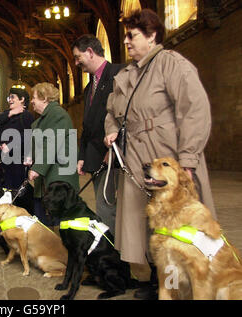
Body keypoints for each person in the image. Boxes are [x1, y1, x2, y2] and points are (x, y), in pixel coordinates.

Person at [103, 9, 216, 299]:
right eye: (126, 36)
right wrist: (112, 128)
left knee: (175, 223)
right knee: (142, 221)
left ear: (152, 36)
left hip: (167, 154)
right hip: (135, 156)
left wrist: (188, 159)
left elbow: (195, 111)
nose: (126, 41)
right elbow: (111, 111)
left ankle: (177, 283)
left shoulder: (172, 64)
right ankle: (154, 277)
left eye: (132, 36)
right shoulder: (126, 74)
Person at [72, 34, 124, 235]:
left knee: (110, 207)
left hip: (115, 154)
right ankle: (110, 249)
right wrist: (82, 156)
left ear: (90, 52)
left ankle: (115, 254)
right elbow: (88, 125)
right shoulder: (88, 88)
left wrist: (117, 146)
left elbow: (125, 115)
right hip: (95, 156)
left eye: (78, 57)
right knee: (104, 208)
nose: (76, 63)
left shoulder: (119, 73)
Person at [28, 82, 79, 227]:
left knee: (59, 222)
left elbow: (52, 143)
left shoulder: (57, 114)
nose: (32, 101)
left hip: (58, 178)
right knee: (42, 217)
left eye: (35, 97)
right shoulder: (44, 119)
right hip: (47, 178)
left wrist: (37, 168)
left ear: (44, 98)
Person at [0, 87, 34, 189]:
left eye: (13, 97)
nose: (10, 100)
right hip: (5, 158)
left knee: (17, 189)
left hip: (18, 160)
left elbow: (28, 135)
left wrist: (10, 145)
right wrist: (10, 113)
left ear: (22, 99)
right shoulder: (7, 114)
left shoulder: (26, 115)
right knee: (6, 188)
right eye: (9, 98)